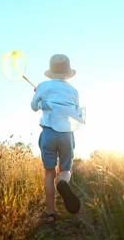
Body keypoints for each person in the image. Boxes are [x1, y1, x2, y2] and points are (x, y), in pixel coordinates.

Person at [30, 54, 86, 223]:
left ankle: (51, 212)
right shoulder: (73, 91)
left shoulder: (43, 86)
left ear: (51, 71)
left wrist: (39, 96)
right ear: (67, 73)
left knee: (49, 172)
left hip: (48, 133)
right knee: (66, 169)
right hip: (66, 134)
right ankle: (63, 182)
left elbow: (34, 107)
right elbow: (75, 112)